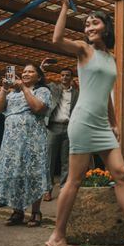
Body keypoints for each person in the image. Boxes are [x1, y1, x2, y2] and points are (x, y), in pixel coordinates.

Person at [45, 0, 124, 246]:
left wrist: (115, 123)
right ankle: (56, 238)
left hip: (102, 125)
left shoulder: (111, 59)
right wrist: (63, 6)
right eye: (86, 24)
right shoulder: (84, 50)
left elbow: (105, 92)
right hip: (82, 121)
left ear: (106, 27)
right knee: (74, 180)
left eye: (95, 22)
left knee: (120, 173)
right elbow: (57, 39)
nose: (89, 27)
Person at [0, 63, 52, 227]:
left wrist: (25, 88)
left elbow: (38, 108)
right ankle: (17, 211)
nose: (26, 74)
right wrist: (4, 89)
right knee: (15, 172)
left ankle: (35, 212)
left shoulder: (42, 91)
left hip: (32, 139)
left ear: (38, 77)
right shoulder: (12, 93)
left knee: (32, 172)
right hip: (11, 140)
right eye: (24, 71)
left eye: (31, 71)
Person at [43, 66, 79, 200]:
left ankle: (64, 188)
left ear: (71, 78)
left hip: (69, 127)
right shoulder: (54, 88)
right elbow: (41, 81)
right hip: (53, 127)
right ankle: (47, 189)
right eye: (62, 75)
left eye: (67, 75)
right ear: (60, 77)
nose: (64, 77)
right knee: (49, 160)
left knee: (66, 161)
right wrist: (42, 69)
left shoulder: (76, 93)